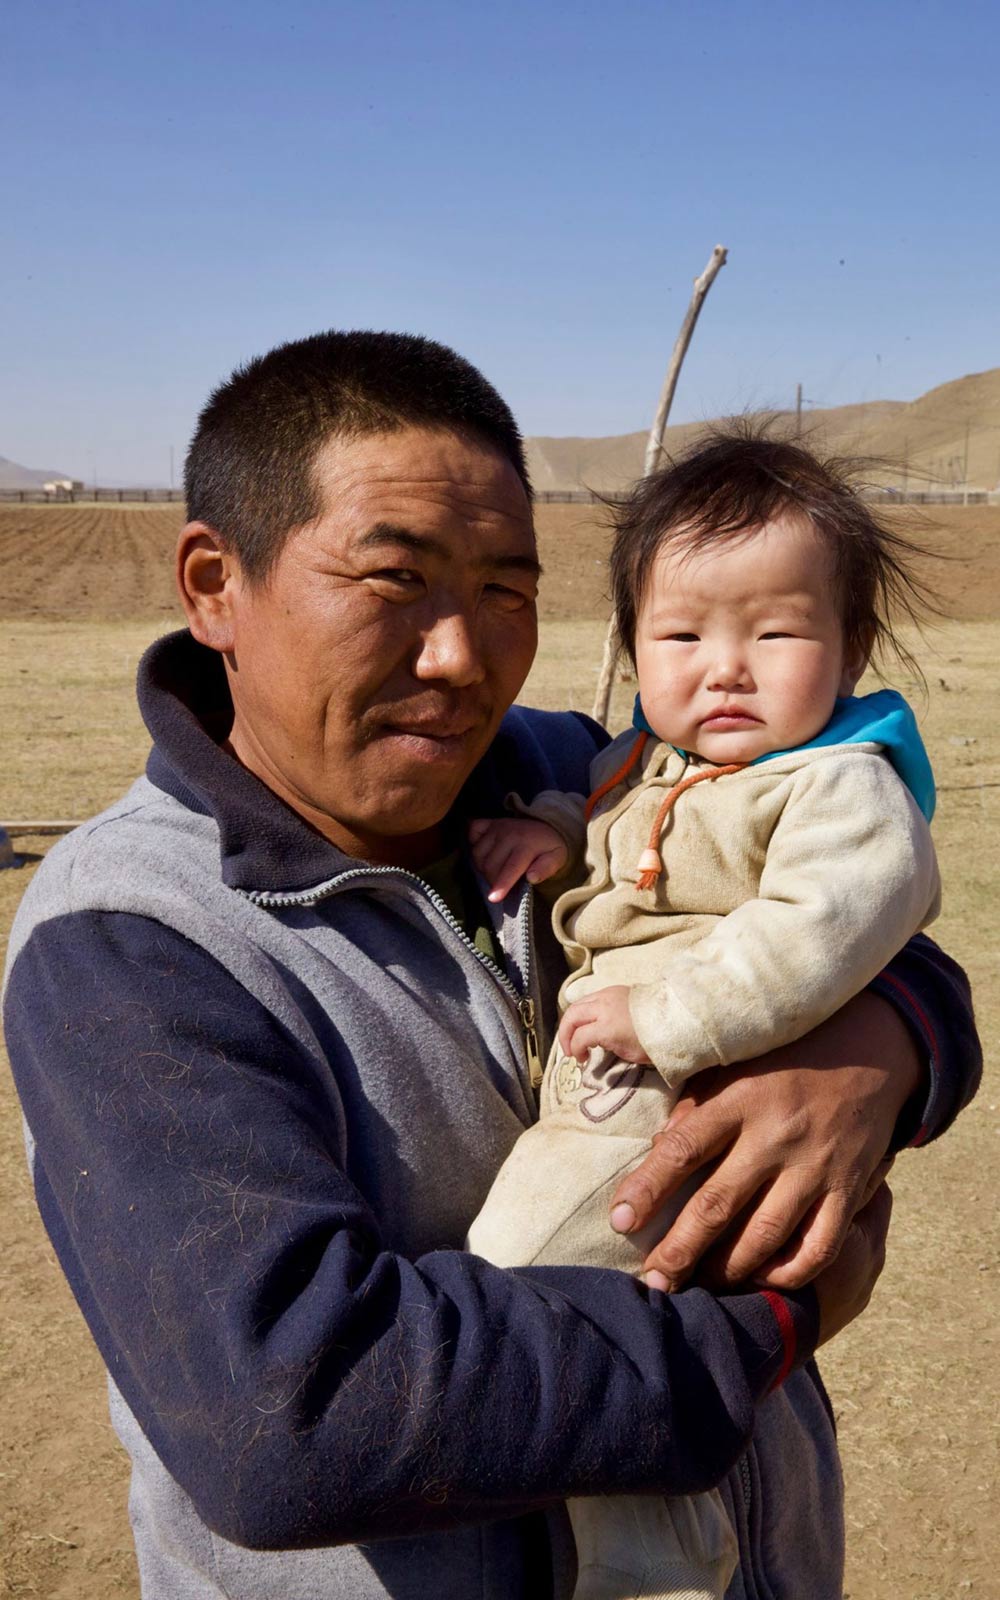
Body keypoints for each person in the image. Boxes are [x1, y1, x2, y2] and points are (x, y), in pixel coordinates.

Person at [2, 332, 980, 1600]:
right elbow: (299, 1414)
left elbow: (866, 912)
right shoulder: (133, 940)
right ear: (213, 584)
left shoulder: (575, 765)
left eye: (507, 591)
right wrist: (766, 1327)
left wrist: (884, 1047)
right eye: (394, 578)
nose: (461, 657)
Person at [466, 429, 942, 1600]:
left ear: (850, 649)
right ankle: (653, 1549)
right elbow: (622, 833)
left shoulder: (836, 783)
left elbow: (835, 921)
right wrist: (555, 829)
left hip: (677, 1090)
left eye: (774, 633)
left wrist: (671, 1015)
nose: (725, 668)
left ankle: (658, 1567)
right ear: (631, 648)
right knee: (614, 1319)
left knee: (515, 1273)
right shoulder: (651, 759)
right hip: (619, 1083)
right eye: (682, 636)